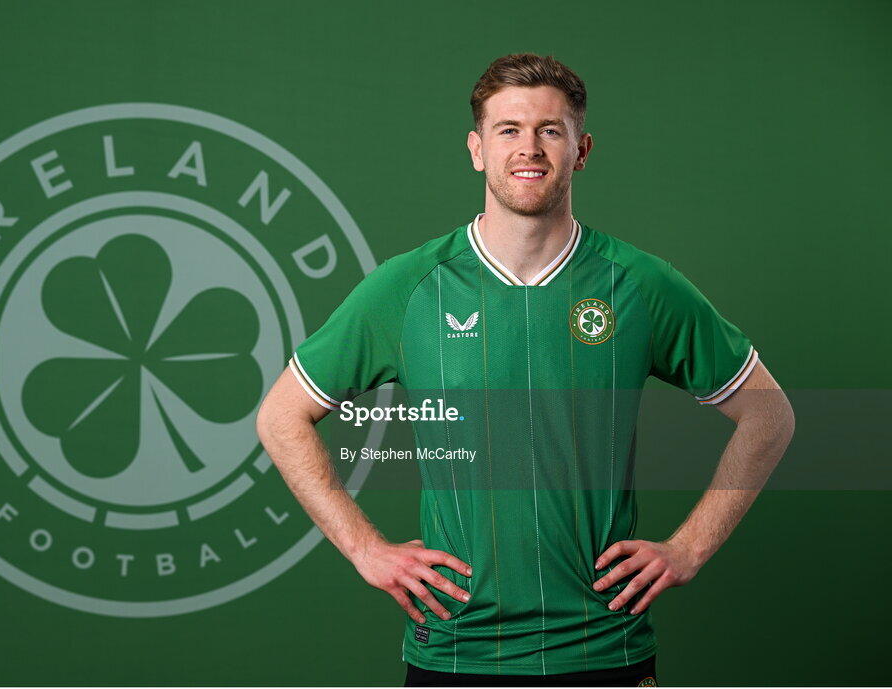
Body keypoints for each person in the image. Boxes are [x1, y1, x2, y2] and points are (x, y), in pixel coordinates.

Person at [256, 53, 795, 687]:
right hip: (455, 650)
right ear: (476, 149)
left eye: (549, 129)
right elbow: (281, 415)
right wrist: (364, 547)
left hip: (605, 649)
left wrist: (690, 548)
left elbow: (769, 414)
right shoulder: (409, 288)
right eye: (508, 129)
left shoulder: (641, 285)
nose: (528, 148)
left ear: (581, 148)